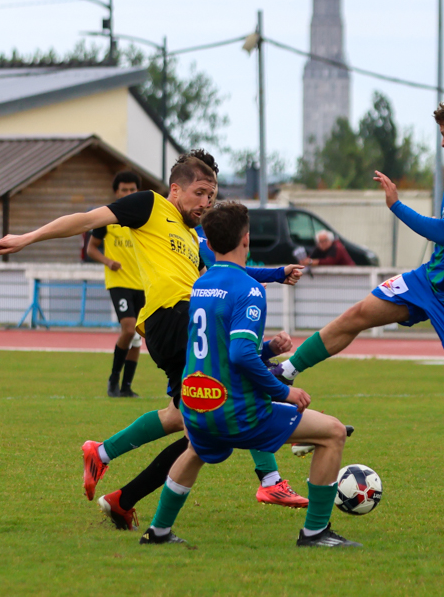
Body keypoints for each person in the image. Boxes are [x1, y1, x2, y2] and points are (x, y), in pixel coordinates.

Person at [0, 151, 307, 531]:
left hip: (182, 324)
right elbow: (87, 220)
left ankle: (106, 463)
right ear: (175, 190)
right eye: (201, 192)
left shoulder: (193, 236)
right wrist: (28, 237)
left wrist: (276, 272)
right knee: (233, 395)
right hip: (172, 319)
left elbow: (232, 264)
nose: (207, 202)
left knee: (183, 421)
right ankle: (270, 481)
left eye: (212, 195)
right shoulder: (150, 206)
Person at [277, 90, 444, 522]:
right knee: (357, 315)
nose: (443, 142)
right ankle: (285, 371)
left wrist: (396, 205)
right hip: (431, 279)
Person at [140, 201, 358, 547]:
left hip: (196, 407)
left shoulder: (201, 283)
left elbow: (223, 348)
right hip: (236, 412)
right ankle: (316, 532)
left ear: (208, 246)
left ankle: (159, 531)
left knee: (195, 450)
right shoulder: (249, 291)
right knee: (332, 433)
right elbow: (241, 354)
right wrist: (283, 392)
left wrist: (269, 347)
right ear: (247, 239)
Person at [86, 171, 145, 398]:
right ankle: (113, 380)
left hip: (143, 284)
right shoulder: (108, 218)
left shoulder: (144, 219)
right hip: (119, 282)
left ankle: (126, 386)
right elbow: (91, 248)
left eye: (132, 190)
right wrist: (107, 261)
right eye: (124, 190)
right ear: (116, 192)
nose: (129, 193)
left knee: (138, 336)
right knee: (128, 328)